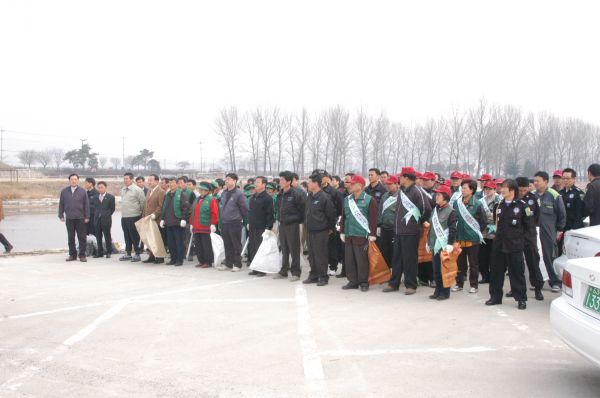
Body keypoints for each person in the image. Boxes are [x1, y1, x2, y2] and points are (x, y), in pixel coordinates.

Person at [383, 167, 431, 295]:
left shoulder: (417, 191)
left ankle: (411, 285)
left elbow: (426, 209)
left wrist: (418, 222)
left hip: (411, 231)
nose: (399, 178)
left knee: (410, 258)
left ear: (407, 177)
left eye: (401, 176)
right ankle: (394, 283)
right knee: (396, 258)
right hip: (399, 230)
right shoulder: (402, 191)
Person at [486, 179, 533, 310]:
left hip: (515, 245)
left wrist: (524, 244)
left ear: (512, 190)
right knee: (496, 272)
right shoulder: (499, 206)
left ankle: (521, 299)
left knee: (517, 273)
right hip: (499, 245)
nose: (501, 190)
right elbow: (496, 224)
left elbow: (529, 228)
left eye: (504, 187)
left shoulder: (523, 206)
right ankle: (495, 297)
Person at [339, 174, 378, 292]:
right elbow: (344, 217)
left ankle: (363, 282)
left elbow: (373, 218)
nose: (350, 186)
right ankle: (352, 281)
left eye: (353, 184)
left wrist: (373, 234)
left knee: (361, 260)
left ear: (360, 186)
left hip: (362, 234)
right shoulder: (347, 199)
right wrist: (342, 231)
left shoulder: (369, 200)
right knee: (349, 260)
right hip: (349, 234)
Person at [512, 177, 544, 301]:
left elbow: (537, 216)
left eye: (525, 190)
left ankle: (537, 288)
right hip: (515, 236)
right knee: (515, 264)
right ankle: (516, 289)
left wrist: (530, 228)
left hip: (529, 235)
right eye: (520, 190)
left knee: (533, 262)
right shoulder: (512, 198)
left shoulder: (533, 198)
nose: (523, 193)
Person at [452, 179, 487, 294]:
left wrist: (475, 232)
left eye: (465, 188)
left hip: (473, 240)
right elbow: (453, 219)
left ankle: (474, 285)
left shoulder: (477, 204)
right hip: (460, 238)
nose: (463, 190)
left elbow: (483, 221)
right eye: (462, 188)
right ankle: (459, 283)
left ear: (472, 190)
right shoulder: (457, 203)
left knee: (473, 264)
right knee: (460, 264)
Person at [534, 171, 566, 292]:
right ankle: (538, 281)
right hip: (534, 232)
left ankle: (554, 281)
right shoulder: (532, 196)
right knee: (535, 257)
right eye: (534, 181)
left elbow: (562, 214)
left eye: (538, 180)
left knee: (548, 256)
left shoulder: (554, 195)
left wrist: (560, 230)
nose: (535, 183)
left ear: (546, 181)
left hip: (549, 231)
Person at [304, 174, 337, 286]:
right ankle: (313, 275)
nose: (308, 184)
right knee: (312, 255)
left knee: (321, 255)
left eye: (309, 182)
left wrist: (330, 228)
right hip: (310, 230)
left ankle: (323, 277)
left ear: (315, 183)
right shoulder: (310, 196)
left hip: (321, 231)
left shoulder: (324, 197)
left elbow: (331, 215)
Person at [426, 185, 458, 300]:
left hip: (444, 245)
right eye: (436, 194)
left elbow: (453, 229)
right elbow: (431, 227)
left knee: (444, 269)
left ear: (445, 197)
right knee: (436, 270)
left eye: (439, 195)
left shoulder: (451, 211)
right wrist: (428, 242)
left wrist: (450, 244)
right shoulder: (435, 209)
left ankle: (445, 292)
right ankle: (437, 290)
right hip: (435, 245)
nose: (436, 196)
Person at [275, 171, 306, 281]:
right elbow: (278, 208)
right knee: (284, 249)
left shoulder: (296, 194)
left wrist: (295, 220)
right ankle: (283, 271)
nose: (280, 182)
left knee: (294, 249)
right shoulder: (280, 194)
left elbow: (303, 211)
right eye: (280, 180)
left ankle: (296, 272)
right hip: (282, 225)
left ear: (289, 181)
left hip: (293, 225)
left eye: (282, 180)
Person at [218, 173, 249, 271]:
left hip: (235, 222)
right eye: (226, 179)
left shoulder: (239, 193)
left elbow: (244, 208)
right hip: (225, 222)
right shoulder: (224, 193)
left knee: (236, 244)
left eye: (229, 179)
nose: (226, 181)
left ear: (235, 181)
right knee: (227, 244)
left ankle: (237, 264)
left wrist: (244, 221)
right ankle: (228, 263)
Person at [58, 174, 90, 262]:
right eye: (72, 179)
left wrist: (87, 216)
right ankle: (72, 255)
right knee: (71, 237)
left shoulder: (83, 191)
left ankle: (82, 255)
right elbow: (61, 204)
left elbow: (86, 205)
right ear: (69, 180)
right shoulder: (64, 191)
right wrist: (60, 215)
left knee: (82, 237)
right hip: (69, 218)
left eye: (75, 179)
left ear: (78, 180)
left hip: (80, 218)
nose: (73, 181)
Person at [247, 176, 274, 277]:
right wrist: (249, 222)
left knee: (261, 248)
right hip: (253, 226)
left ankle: (262, 269)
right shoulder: (253, 197)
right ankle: (255, 267)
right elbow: (251, 212)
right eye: (255, 182)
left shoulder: (267, 198)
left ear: (264, 184)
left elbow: (269, 214)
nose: (256, 183)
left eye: (258, 182)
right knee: (253, 247)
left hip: (262, 227)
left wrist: (268, 228)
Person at [160, 177, 190, 266]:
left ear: (177, 184)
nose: (171, 184)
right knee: (170, 243)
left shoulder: (182, 194)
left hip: (178, 222)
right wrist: (162, 219)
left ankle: (179, 260)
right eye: (169, 182)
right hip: (168, 222)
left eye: (173, 182)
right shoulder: (168, 194)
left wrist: (184, 219)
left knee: (179, 242)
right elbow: (164, 208)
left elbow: (186, 208)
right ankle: (173, 259)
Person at [189, 182, 219, 268]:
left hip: (206, 226)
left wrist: (213, 223)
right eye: (200, 189)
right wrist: (191, 224)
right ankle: (201, 260)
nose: (201, 191)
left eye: (203, 190)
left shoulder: (211, 199)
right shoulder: (197, 199)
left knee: (206, 245)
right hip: (196, 226)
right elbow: (193, 212)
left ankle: (208, 261)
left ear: (207, 191)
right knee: (198, 244)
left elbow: (214, 213)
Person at [478, 180, 501, 284]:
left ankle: (493, 276)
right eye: (486, 188)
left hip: (495, 232)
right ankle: (485, 276)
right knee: (482, 256)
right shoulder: (481, 200)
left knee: (494, 256)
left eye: (490, 189)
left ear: (494, 189)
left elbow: (498, 216)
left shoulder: (499, 199)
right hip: (483, 231)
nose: (487, 191)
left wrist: (489, 217)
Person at [120, 172, 146, 262]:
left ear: (131, 179)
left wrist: (141, 215)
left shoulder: (137, 190)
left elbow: (143, 203)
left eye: (127, 179)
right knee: (126, 235)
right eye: (124, 179)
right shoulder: (123, 189)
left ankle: (137, 253)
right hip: (124, 216)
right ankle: (128, 253)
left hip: (134, 216)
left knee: (134, 236)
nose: (125, 180)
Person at [142, 174, 166, 264]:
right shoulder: (149, 191)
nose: (149, 182)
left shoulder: (161, 191)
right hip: (148, 219)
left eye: (151, 180)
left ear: (156, 181)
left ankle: (160, 257)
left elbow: (160, 206)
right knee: (150, 239)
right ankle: (151, 256)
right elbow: (146, 205)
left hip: (156, 219)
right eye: (148, 180)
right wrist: (144, 216)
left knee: (157, 239)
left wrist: (155, 214)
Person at [377, 175, 399, 267]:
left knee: (394, 252)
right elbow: (380, 211)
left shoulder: (401, 196)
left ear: (396, 184)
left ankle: (394, 272)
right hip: (384, 228)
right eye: (387, 184)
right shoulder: (385, 196)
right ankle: (386, 272)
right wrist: (378, 225)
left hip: (394, 229)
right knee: (384, 251)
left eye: (390, 184)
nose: (388, 186)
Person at [92, 181, 115, 258]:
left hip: (106, 220)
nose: (100, 189)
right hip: (97, 220)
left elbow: (112, 209)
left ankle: (109, 251)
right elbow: (94, 208)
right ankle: (100, 252)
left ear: (105, 187)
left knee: (107, 236)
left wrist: (106, 215)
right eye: (99, 187)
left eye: (102, 187)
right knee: (98, 236)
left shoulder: (110, 197)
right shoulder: (95, 197)